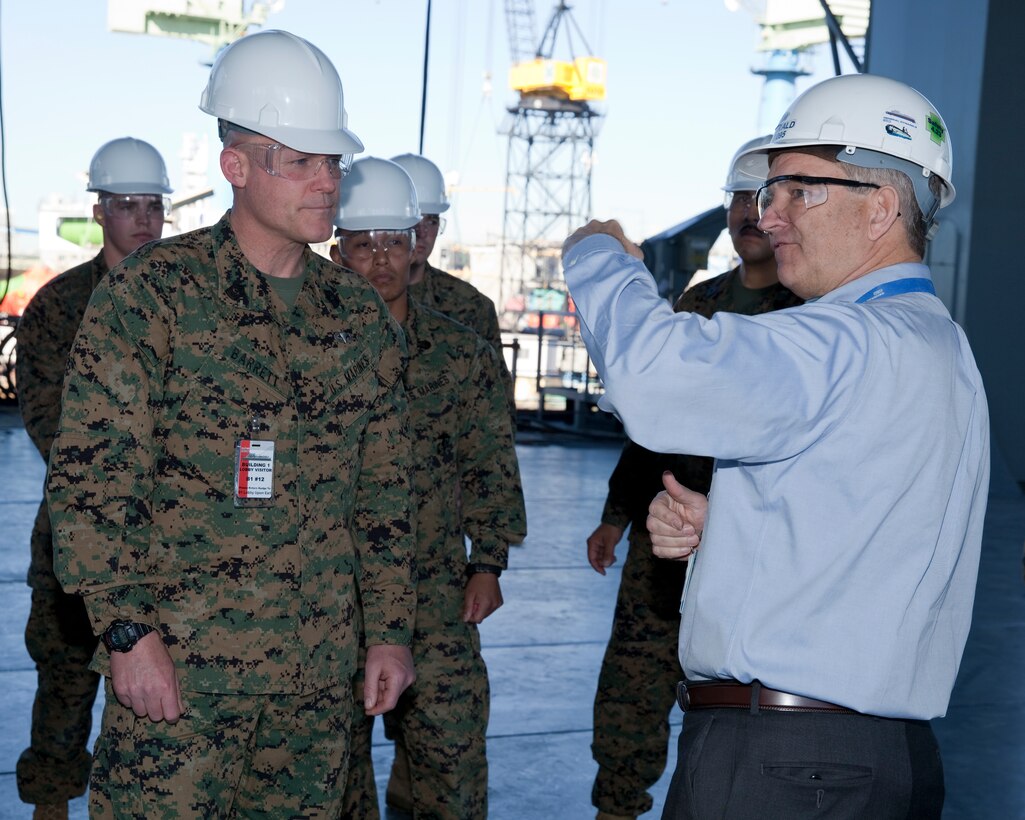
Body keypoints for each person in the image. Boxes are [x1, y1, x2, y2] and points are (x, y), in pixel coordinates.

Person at [562, 73, 989, 819]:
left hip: (785, 767)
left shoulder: (841, 338)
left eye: (798, 189)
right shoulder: (937, 346)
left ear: (881, 206)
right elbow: (868, 530)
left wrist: (600, 257)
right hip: (872, 760)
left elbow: (654, 379)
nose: (773, 215)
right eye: (769, 194)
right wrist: (726, 531)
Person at [45, 30, 417, 817]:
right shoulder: (155, 296)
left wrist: (388, 631)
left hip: (314, 691)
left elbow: (384, 492)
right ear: (236, 168)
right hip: (180, 682)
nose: (327, 183)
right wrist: (127, 633)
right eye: (302, 161)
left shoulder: (355, 314)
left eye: (333, 162)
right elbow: (93, 479)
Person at [587, 134, 803, 820]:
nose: (747, 212)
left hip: (751, 549)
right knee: (631, 682)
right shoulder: (697, 302)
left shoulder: (812, 319)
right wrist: (616, 514)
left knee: (735, 697)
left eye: (761, 196)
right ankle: (617, 805)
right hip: (661, 539)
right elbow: (651, 429)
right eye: (737, 197)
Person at [332, 157, 527, 819]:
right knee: (327, 775)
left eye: (395, 240)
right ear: (339, 251)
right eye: (365, 245)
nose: (382, 258)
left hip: (435, 592)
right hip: (331, 595)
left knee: (449, 759)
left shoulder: (459, 351)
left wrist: (489, 560)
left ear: (416, 241)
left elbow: (490, 461)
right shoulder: (307, 349)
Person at [14, 137, 172, 820]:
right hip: (79, 534)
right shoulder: (58, 305)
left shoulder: (183, 301)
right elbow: (49, 420)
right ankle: (51, 805)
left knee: (155, 690)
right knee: (65, 680)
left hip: (171, 537)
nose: (142, 219)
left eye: (152, 205)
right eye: (126, 205)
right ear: (100, 210)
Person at [391, 152, 517, 421]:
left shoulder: (471, 307)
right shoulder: (350, 300)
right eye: (413, 218)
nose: (423, 232)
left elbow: (498, 410)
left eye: (432, 221)